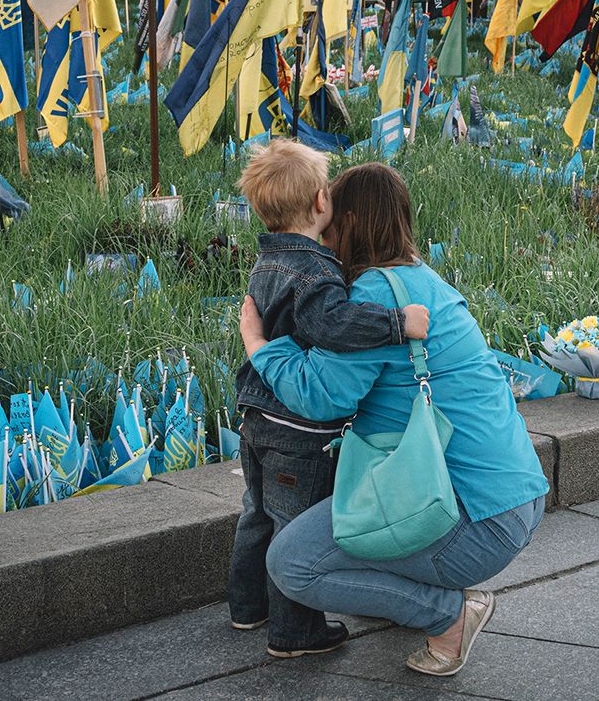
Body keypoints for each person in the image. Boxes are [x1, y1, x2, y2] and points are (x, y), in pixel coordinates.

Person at [241, 163, 548, 678]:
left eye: (331, 223)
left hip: (467, 521)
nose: (325, 236)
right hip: (513, 499)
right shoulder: (422, 281)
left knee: (292, 563)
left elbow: (320, 397)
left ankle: (450, 614)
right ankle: (427, 595)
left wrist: (260, 347)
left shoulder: (374, 296)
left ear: (350, 222)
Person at [228, 141, 430, 659]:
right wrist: (395, 323)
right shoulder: (315, 270)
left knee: (256, 514)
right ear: (322, 203)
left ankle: (247, 607)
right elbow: (332, 324)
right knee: (292, 524)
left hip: (255, 416)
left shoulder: (266, 260)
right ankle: (295, 634)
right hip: (297, 428)